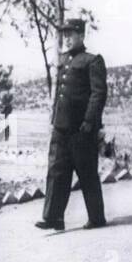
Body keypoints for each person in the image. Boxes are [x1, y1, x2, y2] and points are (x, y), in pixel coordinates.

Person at [34, 18, 108, 231]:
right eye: (64, 34)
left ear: (82, 35)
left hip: (81, 128)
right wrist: (53, 120)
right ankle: (53, 218)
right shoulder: (64, 60)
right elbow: (59, 94)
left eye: (71, 34)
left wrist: (89, 121)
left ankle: (96, 217)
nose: (67, 38)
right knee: (56, 171)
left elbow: (98, 94)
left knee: (86, 173)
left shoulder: (92, 61)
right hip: (61, 127)